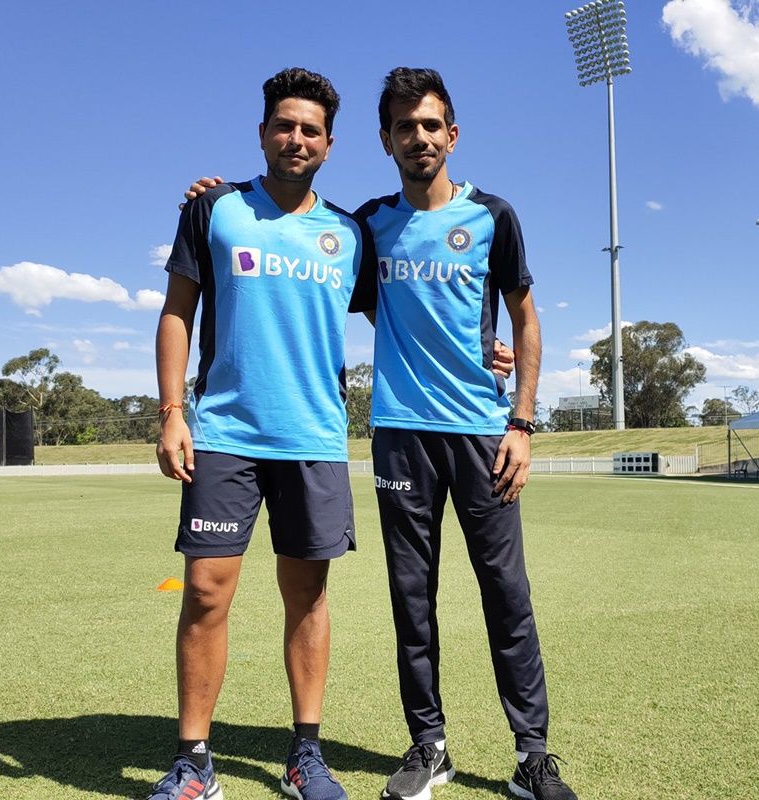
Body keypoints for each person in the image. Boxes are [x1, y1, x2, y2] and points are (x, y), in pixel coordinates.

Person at [182, 67, 571, 800]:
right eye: (403, 127)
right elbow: (326, 285)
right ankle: (429, 746)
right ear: (385, 140)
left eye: (430, 126)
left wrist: (522, 419)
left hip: (484, 433)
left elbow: (524, 316)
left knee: (506, 593)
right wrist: (210, 198)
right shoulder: (367, 226)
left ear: (451, 135)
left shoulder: (495, 217)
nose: (418, 138)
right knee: (411, 596)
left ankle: (531, 754)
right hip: (397, 432)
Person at [149, 66, 376, 800]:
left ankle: (306, 754)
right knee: (207, 592)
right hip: (224, 432)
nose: (296, 138)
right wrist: (172, 413)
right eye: (285, 125)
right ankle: (194, 762)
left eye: (311, 129)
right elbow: (177, 312)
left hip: (313, 438)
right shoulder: (214, 209)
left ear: (330, 144)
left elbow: (401, 319)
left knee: (306, 596)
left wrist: (484, 350)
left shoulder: (349, 233)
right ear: (263, 133)